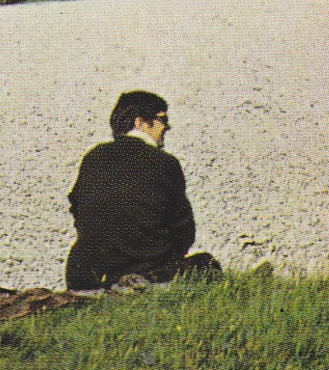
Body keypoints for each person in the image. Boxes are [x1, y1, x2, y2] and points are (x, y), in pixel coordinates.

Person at [65, 90, 220, 291]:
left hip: (88, 276)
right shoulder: (164, 162)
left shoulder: (92, 158)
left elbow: (80, 215)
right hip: (146, 271)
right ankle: (137, 287)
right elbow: (183, 230)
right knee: (206, 265)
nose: (167, 128)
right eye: (162, 120)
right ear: (139, 122)